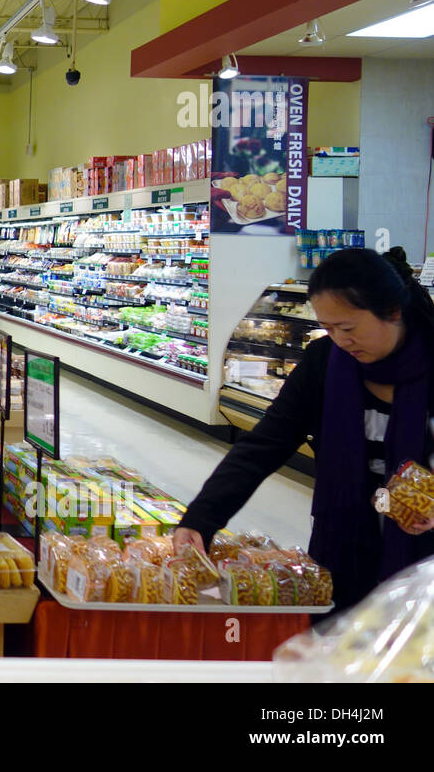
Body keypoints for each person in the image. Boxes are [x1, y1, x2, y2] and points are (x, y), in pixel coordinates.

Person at [175, 248, 434, 612]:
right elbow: (264, 445)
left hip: (424, 565)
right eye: (328, 328)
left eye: (348, 328)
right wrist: (202, 518)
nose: (341, 340)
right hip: (343, 547)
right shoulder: (326, 362)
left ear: (392, 312)